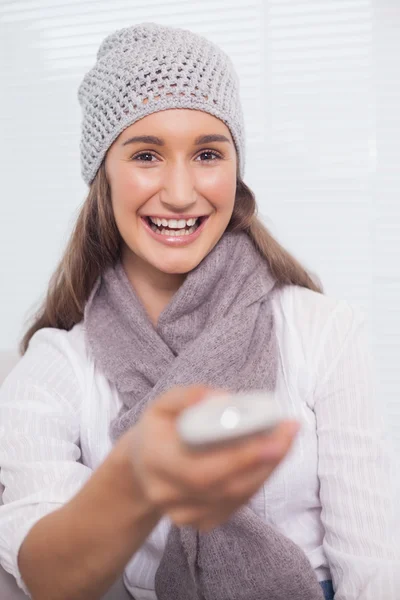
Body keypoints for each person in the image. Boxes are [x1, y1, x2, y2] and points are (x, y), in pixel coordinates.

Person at [0, 21, 397, 600]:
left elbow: (375, 571)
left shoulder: (323, 332)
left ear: (236, 170)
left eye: (208, 153)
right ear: (103, 175)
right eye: (146, 155)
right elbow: (47, 576)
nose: (182, 193)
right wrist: (134, 478)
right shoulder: (56, 366)